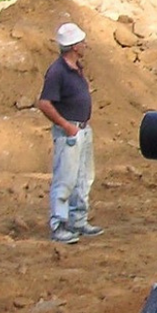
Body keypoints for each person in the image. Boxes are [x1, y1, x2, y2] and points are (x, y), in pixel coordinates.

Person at [36, 21, 103, 244]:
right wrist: (66, 126)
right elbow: (45, 103)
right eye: (82, 42)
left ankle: (77, 219)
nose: (85, 45)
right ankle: (59, 224)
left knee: (84, 177)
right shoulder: (57, 72)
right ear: (74, 46)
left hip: (82, 129)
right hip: (70, 133)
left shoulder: (76, 68)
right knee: (65, 179)